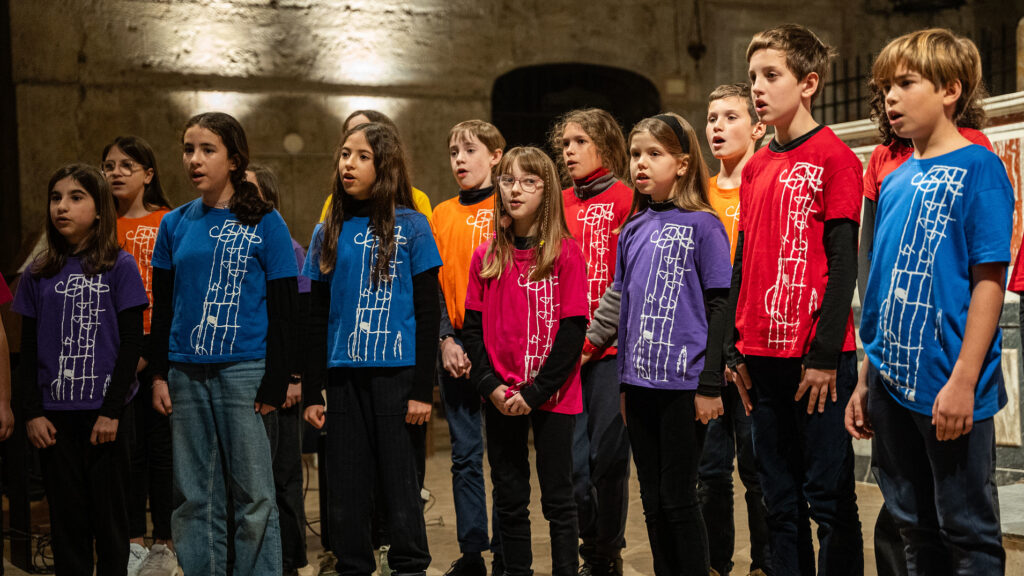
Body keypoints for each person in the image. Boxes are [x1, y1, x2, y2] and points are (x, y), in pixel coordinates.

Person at [847, 28, 1011, 575]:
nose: (890, 97)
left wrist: (964, 380)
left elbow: (990, 279)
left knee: (967, 533)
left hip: (949, 381)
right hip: (891, 382)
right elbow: (880, 290)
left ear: (950, 90)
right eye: (885, 86)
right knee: (914, 529)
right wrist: (867, 376)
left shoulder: (979, 167)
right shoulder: (894, 177)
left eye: (905, 83)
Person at [728, 24, 863, 575]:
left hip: (816, 360)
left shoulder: (835, 159)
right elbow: (743, 262)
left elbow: (843, 264)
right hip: (760, 358)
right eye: (753, 76)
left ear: (808, 83)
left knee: (829, 501)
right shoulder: (757, 163)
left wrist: (826, 355)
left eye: (771, 75)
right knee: (777, 500)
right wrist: (733, 352)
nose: (757, 88)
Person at [150, 112, 298, 576]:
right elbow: (165, 307)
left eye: (207, 150)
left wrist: (278, 379)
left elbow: (285, 306)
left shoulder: (266, 222)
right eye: (188, 149)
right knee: (194, 496)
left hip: (245, 372)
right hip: (186, 371)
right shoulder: (174, 224)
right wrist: (159, 372)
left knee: (254, 495)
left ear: (234, 160)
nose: (194, 160)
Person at [303, 121, 441, 576]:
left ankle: (409, 566)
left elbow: (426, 312)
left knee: (400, 484)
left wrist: (424, 389)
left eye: (362, 156)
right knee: (346, 485)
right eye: (345, 154)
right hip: (343, 376)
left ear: (384, 166)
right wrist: (311, 390)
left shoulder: (413, 226)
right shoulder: (329, 229)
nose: (349, 164)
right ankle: (353, 565)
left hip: (397, 376)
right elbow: (316, 314)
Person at [14, 163, 149, 574]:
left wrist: (111, 411)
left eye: (76, 198)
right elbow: (28, 348)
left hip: (105, 416)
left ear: (99, 207)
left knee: (110, 524)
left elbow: (131, 345)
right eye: (56, 198)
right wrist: (33, 412)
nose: (62, 207)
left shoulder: (119, 266)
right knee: (67, 525)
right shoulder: (38, 273)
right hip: (55, 418)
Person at [463, 146, 587, 576]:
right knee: (510, 495)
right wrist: (489, 385)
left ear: (547, 191)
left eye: (528, 182)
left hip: (551, 395)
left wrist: (536, 390)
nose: (515, 190)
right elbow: (473, 331)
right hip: (500, 394)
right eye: (508, 180)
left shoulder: (565, 254)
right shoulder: (487, 257)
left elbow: (573, 333)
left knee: (557, 497)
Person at [618, 113, 730, 575]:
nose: (641, 163)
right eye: (635, 154)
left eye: (654, 154)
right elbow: (625, 311)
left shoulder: (704, 226)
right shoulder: (631, 229)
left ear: (682, 164)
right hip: (638, 383)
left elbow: (719, 306)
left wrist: (709, 385)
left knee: (679, 498)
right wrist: (623, 384)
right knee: (650, 500)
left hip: (685, 384)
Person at [549, 108, 633, 576]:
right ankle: (591, 542)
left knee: (607, 459)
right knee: (574, 467)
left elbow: (629, 280)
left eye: (579, 141)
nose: (569, 150)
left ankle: (604, 555)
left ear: (603, 144)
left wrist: (598, 340)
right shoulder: (557, 203)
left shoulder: (626, 199)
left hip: (611, 353)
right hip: (565, 351)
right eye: (564, 143)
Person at [698, 84, 772, 576]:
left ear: (758, 128)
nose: (717, 127)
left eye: (730, 117)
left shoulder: (763, 186)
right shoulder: (698, 193)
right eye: (711, 118)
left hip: (750, 350)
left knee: (758, 470)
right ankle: (714, 562)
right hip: (703, 354)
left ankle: (766, 562)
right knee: (709, 472)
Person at [102, 135, 178, 576]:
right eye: (109, 164)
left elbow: (172, 296)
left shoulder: (167, 220)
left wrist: (153, 359)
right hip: (113, 353)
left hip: (157, 346)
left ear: (148, 174)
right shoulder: (98, 225)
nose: (115, 172)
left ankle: (164, 541)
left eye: (127, 165)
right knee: (125, 453)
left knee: (161, 449)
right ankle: (131, 540)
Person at [432, 119, 506, 576]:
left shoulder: (510, 203)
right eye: (453, 152)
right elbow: (436, 285)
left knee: (504, 455)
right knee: (464, 456)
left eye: (470, 150)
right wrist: (445, 339)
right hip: (456, 347)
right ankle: (473, 549)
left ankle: (507, 547)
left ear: (496, 155)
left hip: (500, 344)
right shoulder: (441, 214)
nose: (460, 159)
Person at [246, 164, 310, 576]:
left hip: (281, 376)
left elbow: (298, 319)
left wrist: (293, 376)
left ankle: (288, 561)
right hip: (246, 377)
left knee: (284, 474)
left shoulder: (288, 245)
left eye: (248, 190)